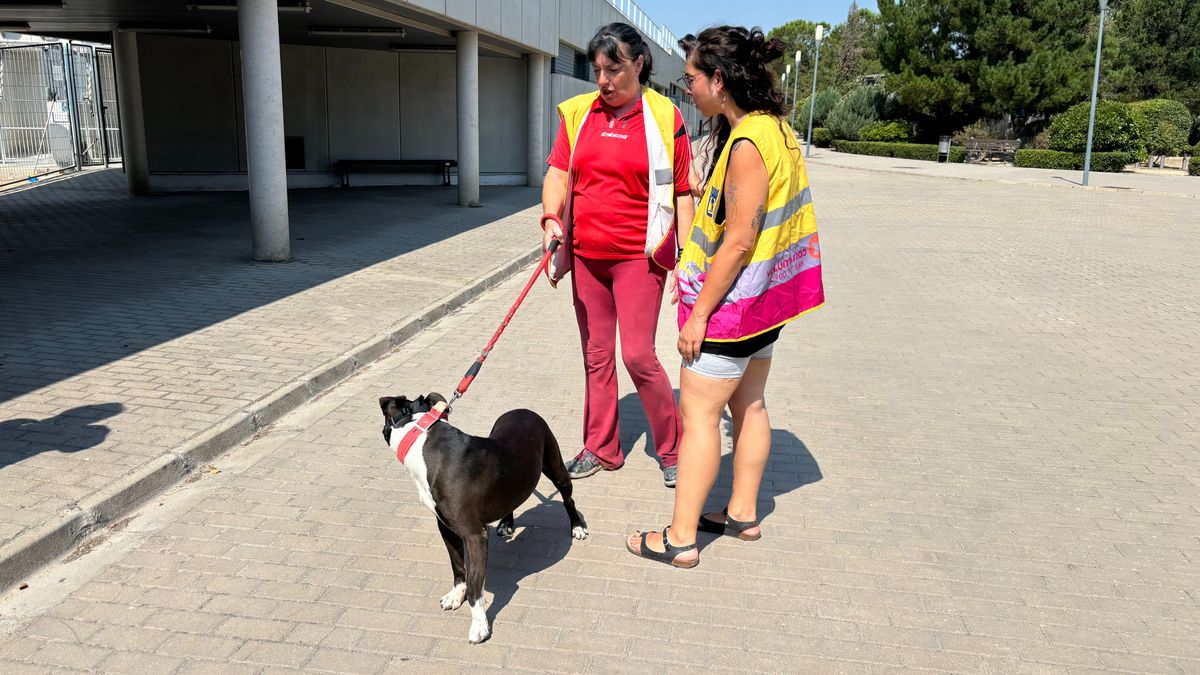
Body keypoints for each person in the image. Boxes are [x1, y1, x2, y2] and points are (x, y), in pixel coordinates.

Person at [626, 26, 825, 566]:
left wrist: (699, 316)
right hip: (766, 305)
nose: (686, 87)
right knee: (751, 403)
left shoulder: (747, 145)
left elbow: (737, 240)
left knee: (699, 420)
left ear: (719, 79)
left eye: (691, 78)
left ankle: (680, 539)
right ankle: (741, 514)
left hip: (733, 309)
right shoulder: (776, 130)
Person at [541, 22, 696, 487]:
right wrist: (551, 217)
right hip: (586, 255)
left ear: (639, 64)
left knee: (638, 355)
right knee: (596, 355)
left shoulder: (665, 116)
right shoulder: (578, 115)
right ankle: (601, 447)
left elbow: (684, 191)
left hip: (639, 257)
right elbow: (558, 172)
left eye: (615, 69)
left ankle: (672, 448)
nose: (604, 80)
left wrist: (684, 258)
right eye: (597, 70)